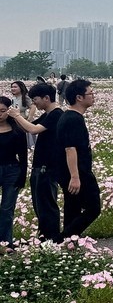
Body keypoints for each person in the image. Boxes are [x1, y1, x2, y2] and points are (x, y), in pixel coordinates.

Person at [9, 83, 64, 241]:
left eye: (36, 100)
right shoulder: (47, 114)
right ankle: (45, 235)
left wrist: (16, 115)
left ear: (46, 98)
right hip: (40, 165)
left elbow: (33, 130)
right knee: (39, 203)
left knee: (47, 204)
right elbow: (29, 127)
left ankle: (51, 238)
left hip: (47, 166)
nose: (34, 103)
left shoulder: (56, 114)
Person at [58, 79, 101, 239]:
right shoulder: (73, 119)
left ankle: (68, 243)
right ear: (79, 98)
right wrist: (75, 177)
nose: (93, 96)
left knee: (73, 208)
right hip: (78, 172)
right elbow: (70, 148)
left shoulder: (70, 117)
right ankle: (60, 240)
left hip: (72, 171)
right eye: (90, 93)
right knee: (93, 208)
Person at [0, 95, 29, 247]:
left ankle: (5, 242)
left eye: (3, 111)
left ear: (9, 111)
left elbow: (23, 156)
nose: (0, 114)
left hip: (12, 170)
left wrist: (22, 176)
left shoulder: (17, 130)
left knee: (7, 208)